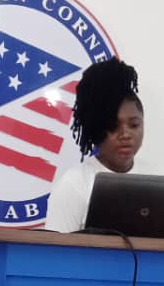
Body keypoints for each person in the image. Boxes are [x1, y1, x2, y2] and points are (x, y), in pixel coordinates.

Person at [45, 58, 146, 233]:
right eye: (113, 126)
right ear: (95, 129)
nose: (126, 134)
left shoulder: (156, 180)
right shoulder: (74, 183)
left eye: (134, 125)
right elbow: (55, 249)